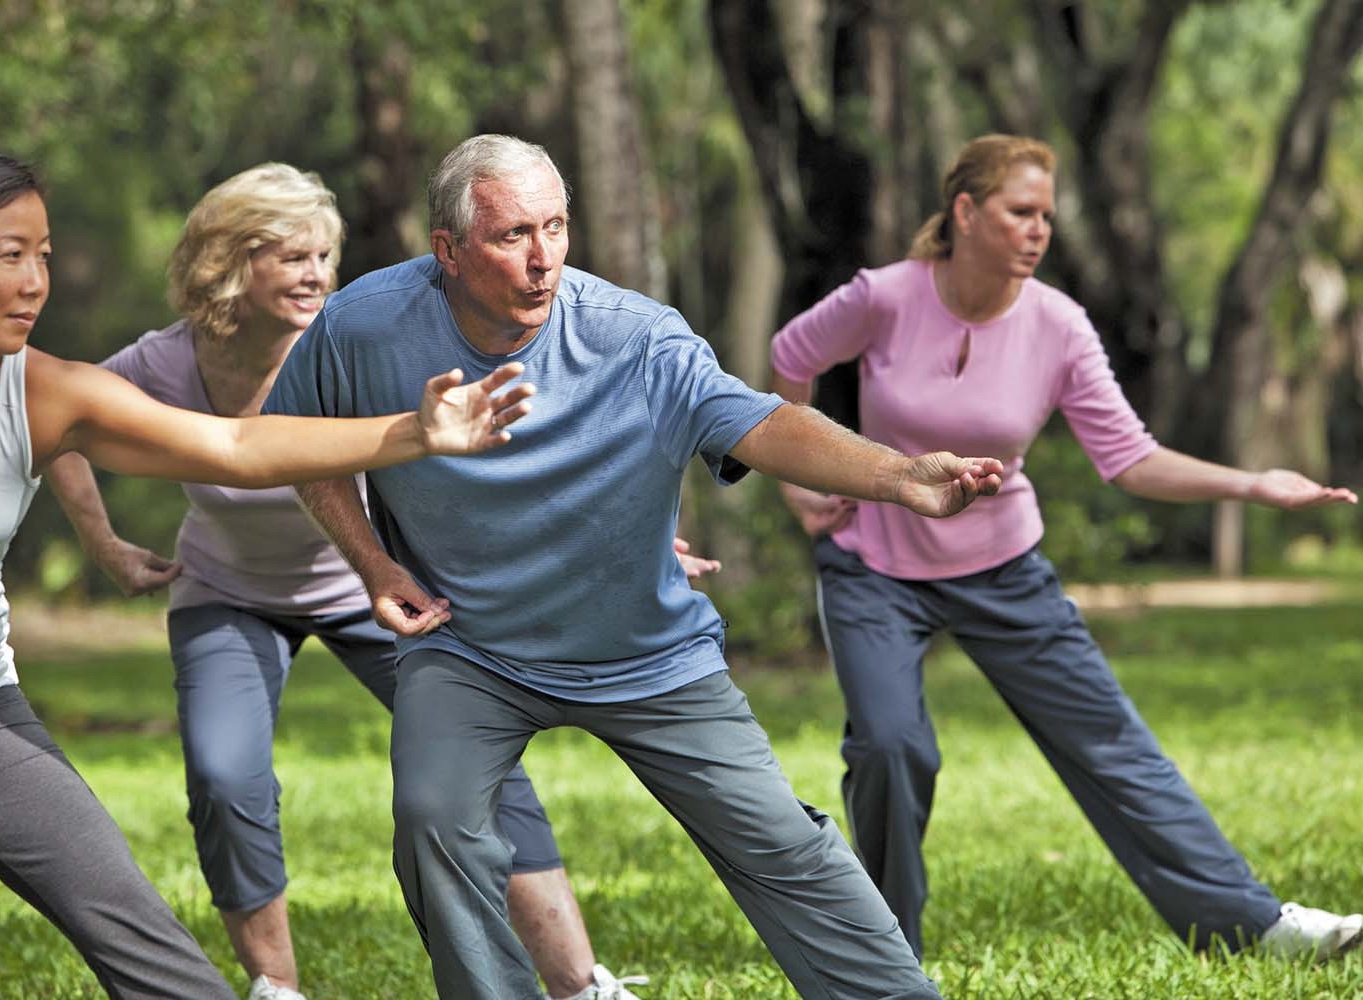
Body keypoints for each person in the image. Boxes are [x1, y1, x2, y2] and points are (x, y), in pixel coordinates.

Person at [262, 133, 1006, 1000]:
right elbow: (295, 443)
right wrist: (373, 563)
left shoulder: (636, 339)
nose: (543, 260)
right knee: (433, 819)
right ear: (449, 251)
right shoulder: (365, 324)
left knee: (780, 841)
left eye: (556, 227)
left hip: (645, 653)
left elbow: (764, 425)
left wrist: (902, 477)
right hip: (472, 647)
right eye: (512, 237)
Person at [0, 138, 533, 1000]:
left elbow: (237, 444)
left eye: (45, 257)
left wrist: (414, 431)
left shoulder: (46, 394)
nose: (37, 282)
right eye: (11, 256)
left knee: (132, 923)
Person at [46, 162, 663, 1000]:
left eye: (325, 255)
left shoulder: (358, 338)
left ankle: (581, 984)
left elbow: (518, 439)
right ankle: (277, 989)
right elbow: (62, 426)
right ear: (229, 263)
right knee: (227, 779)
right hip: (228, 591)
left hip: (376, 584)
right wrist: (106, 545)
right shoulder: (166, 360)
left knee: (479, 765)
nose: (317, 276)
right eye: (292, 256)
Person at [768, 132, 1363, 962]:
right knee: (891, 745)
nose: (1040, 229)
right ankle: (883, 952)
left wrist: (1252, 482)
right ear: (967, 213)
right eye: (1021, 211)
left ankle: (1256, 928)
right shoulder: (887, 296)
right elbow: (791, 356)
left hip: (1006, 571)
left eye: (1048, 215)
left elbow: (1129, 457)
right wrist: (804, 480)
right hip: (876, 565)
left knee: (1114, 746)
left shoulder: (1059, 325)